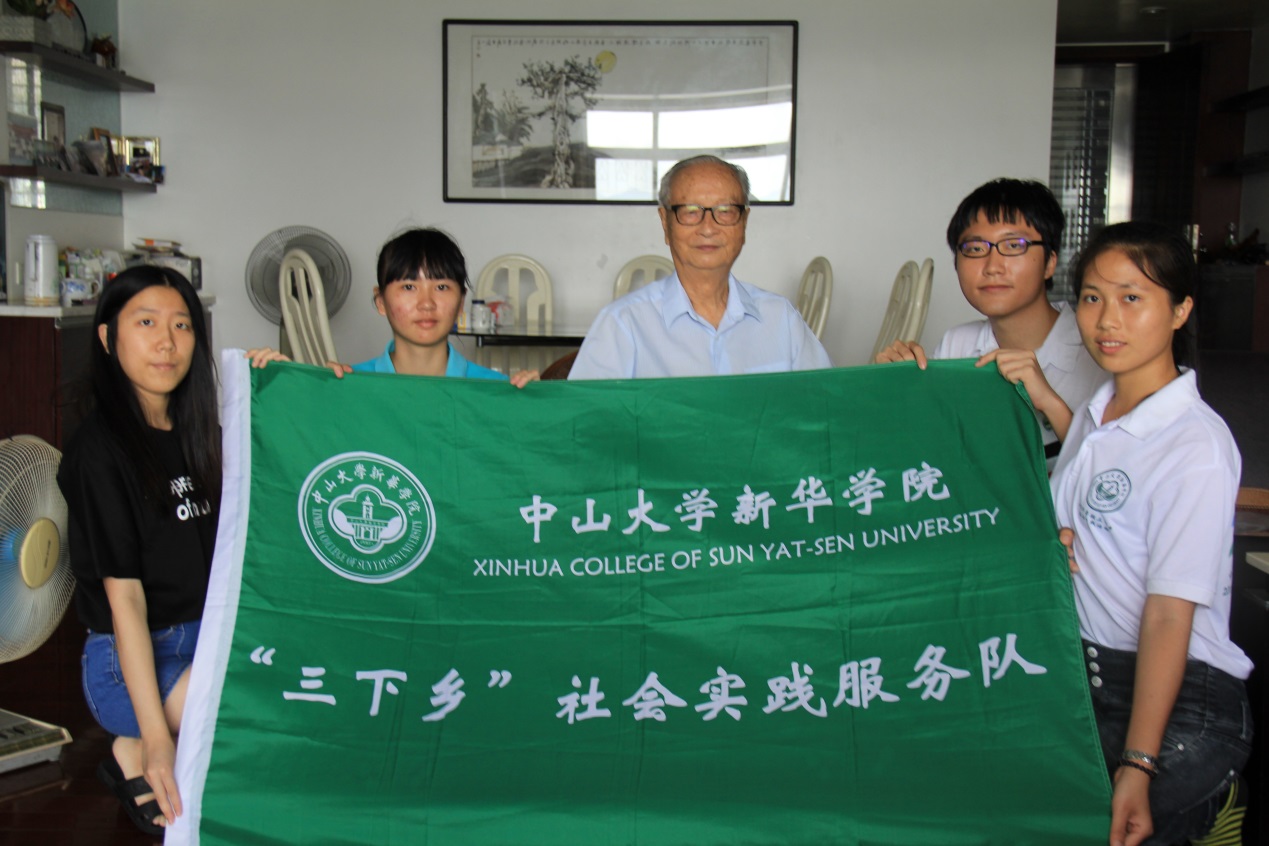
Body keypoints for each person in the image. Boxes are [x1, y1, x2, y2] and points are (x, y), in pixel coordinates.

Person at [1046, 222, 1252, 845]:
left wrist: (1139, 765)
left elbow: (1166, 616)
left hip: (1182, 700)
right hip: (1087, 681)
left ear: (1180, 310)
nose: (1107, 319)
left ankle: (1206, 798)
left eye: (1132, 298)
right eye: (1092, 297)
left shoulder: (1194, 445)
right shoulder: (1098, 413)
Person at [57, 266, 221, 835]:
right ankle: (138, 743)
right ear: (107, 337)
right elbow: (124, 600)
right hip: (130, 659)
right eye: (146, 323)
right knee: (238, 719)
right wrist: (156, 739)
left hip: (210, 636)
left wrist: (273, 378)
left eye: (182, 325)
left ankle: (144, 744)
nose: (167, 342)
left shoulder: (200, 432)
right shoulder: (98, 451)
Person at [875, 178, 1104, 468]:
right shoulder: (958, 345)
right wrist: (895, 392)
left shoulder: (1098, 353)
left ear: (1050, 262)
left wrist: (1049, 402)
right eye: (974, 249)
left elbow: (1114, 479)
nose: (993, 266)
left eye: (1014, 245)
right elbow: (929, 453)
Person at [569, 155, 831, 379]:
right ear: (665, 223)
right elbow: (584, 416)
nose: (708, 228)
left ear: (744, 222)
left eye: (725, 210)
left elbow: (825, 404)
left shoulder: (781, 319)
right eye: (690, 211)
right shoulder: (624, 323)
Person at [354, 227, 538, 385]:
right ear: (380, 301)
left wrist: (537, 402)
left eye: (441, 287)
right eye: (409, 287)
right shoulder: (351, 384)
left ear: (461, 302)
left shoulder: (495, 389)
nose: (427, 304)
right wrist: (334, 387)